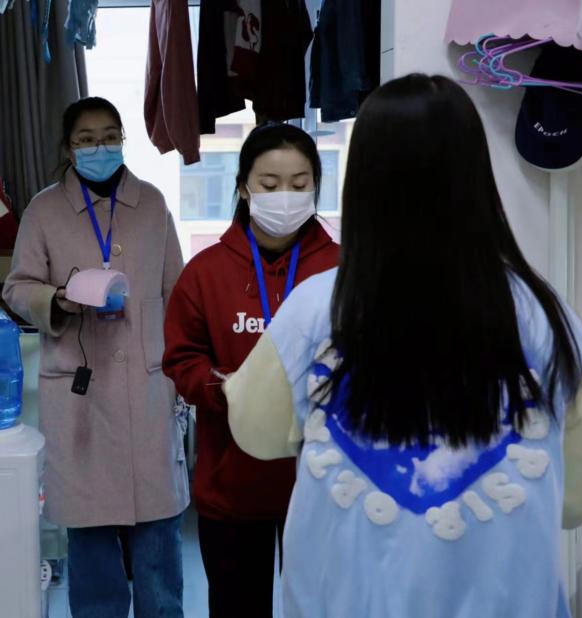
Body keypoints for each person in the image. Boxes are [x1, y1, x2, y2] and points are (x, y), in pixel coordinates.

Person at [223, 74, 582, 618]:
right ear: (476, 178)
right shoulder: (546, 320)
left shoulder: (315, 312)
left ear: (362, 184)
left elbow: (254, 431)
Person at [3, 97, 187, 618]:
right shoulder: (44, 210)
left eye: (109, 136)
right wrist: (57, 298)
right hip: (80, 394)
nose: (99, 147)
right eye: (86, 139)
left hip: (148, 388)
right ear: (68, 148)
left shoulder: (151, 204)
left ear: (122, 139)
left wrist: (180, 371)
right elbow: (17, 287)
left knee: (158, 536)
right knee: (90, 539)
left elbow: (177, 291)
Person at [162, 123, 338, 617]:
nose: (286, 196)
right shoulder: (207, 272)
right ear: (243, 186)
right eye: (270, 183)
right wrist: (225, 389)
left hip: (323, 484)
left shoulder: (343, 267)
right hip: (232, 485)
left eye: (300, 184)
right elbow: (181, 359)